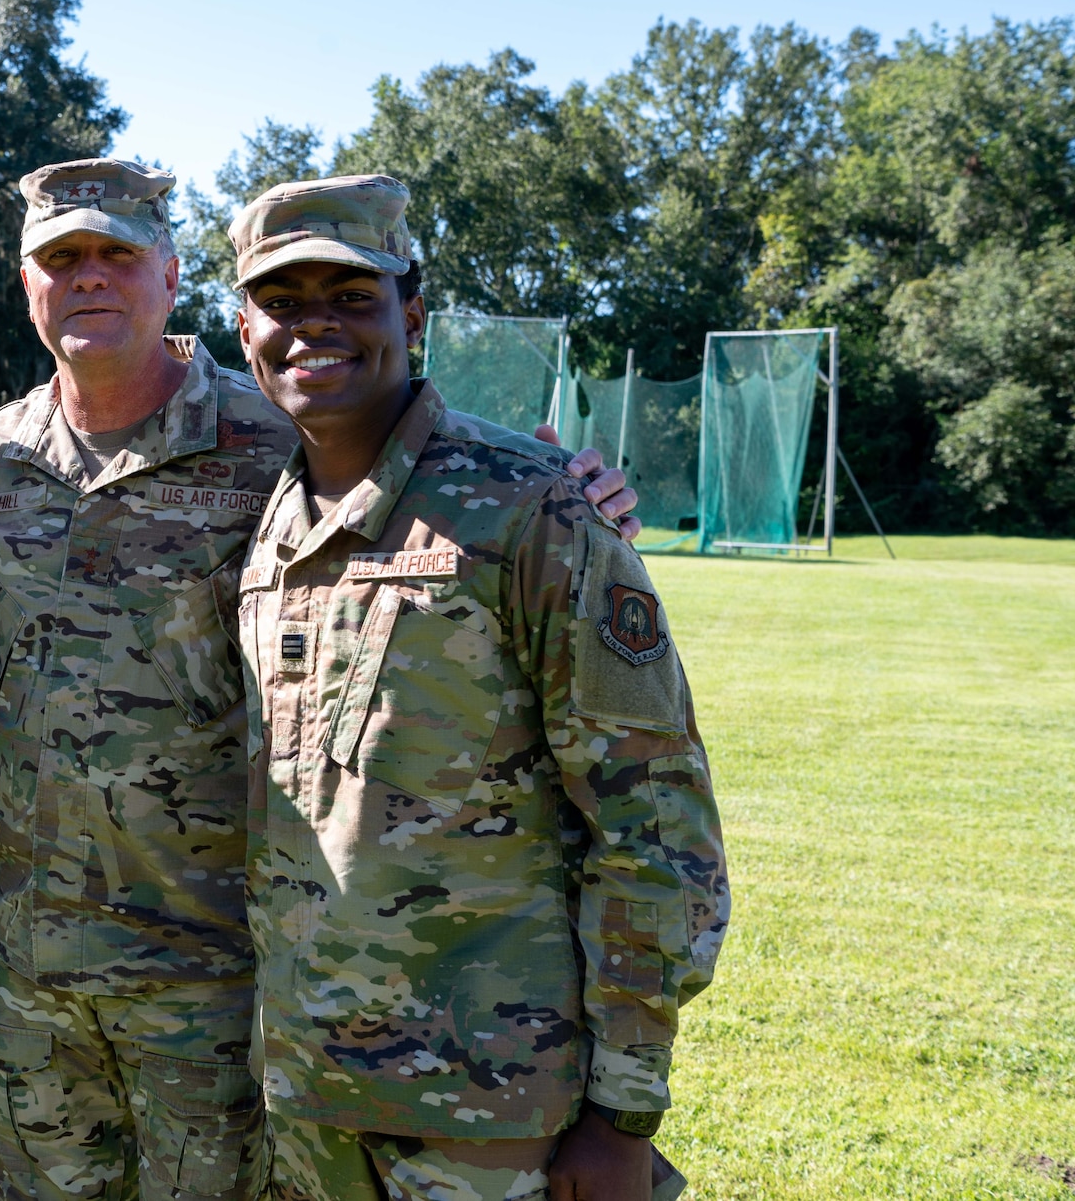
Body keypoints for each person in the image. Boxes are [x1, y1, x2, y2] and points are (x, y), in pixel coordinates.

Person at [0, 157, 642, 1201]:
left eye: (115, 254)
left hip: (214, 975)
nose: (88, 276)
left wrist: (567, 487)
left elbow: (430, 494)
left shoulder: (274, 435)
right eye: (61, 257)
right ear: (26, 284)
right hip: (34, 987)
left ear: (170, 274)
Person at [226, 175, 728, 1201]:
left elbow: (655, 827)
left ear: (410, 314)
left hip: (495, 1113)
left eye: (350, 295)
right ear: (243, 332)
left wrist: (622, 1112)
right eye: (282, 301)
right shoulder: (265, 531)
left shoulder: (529, 510)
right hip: (307, 1102)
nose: (312, 325)